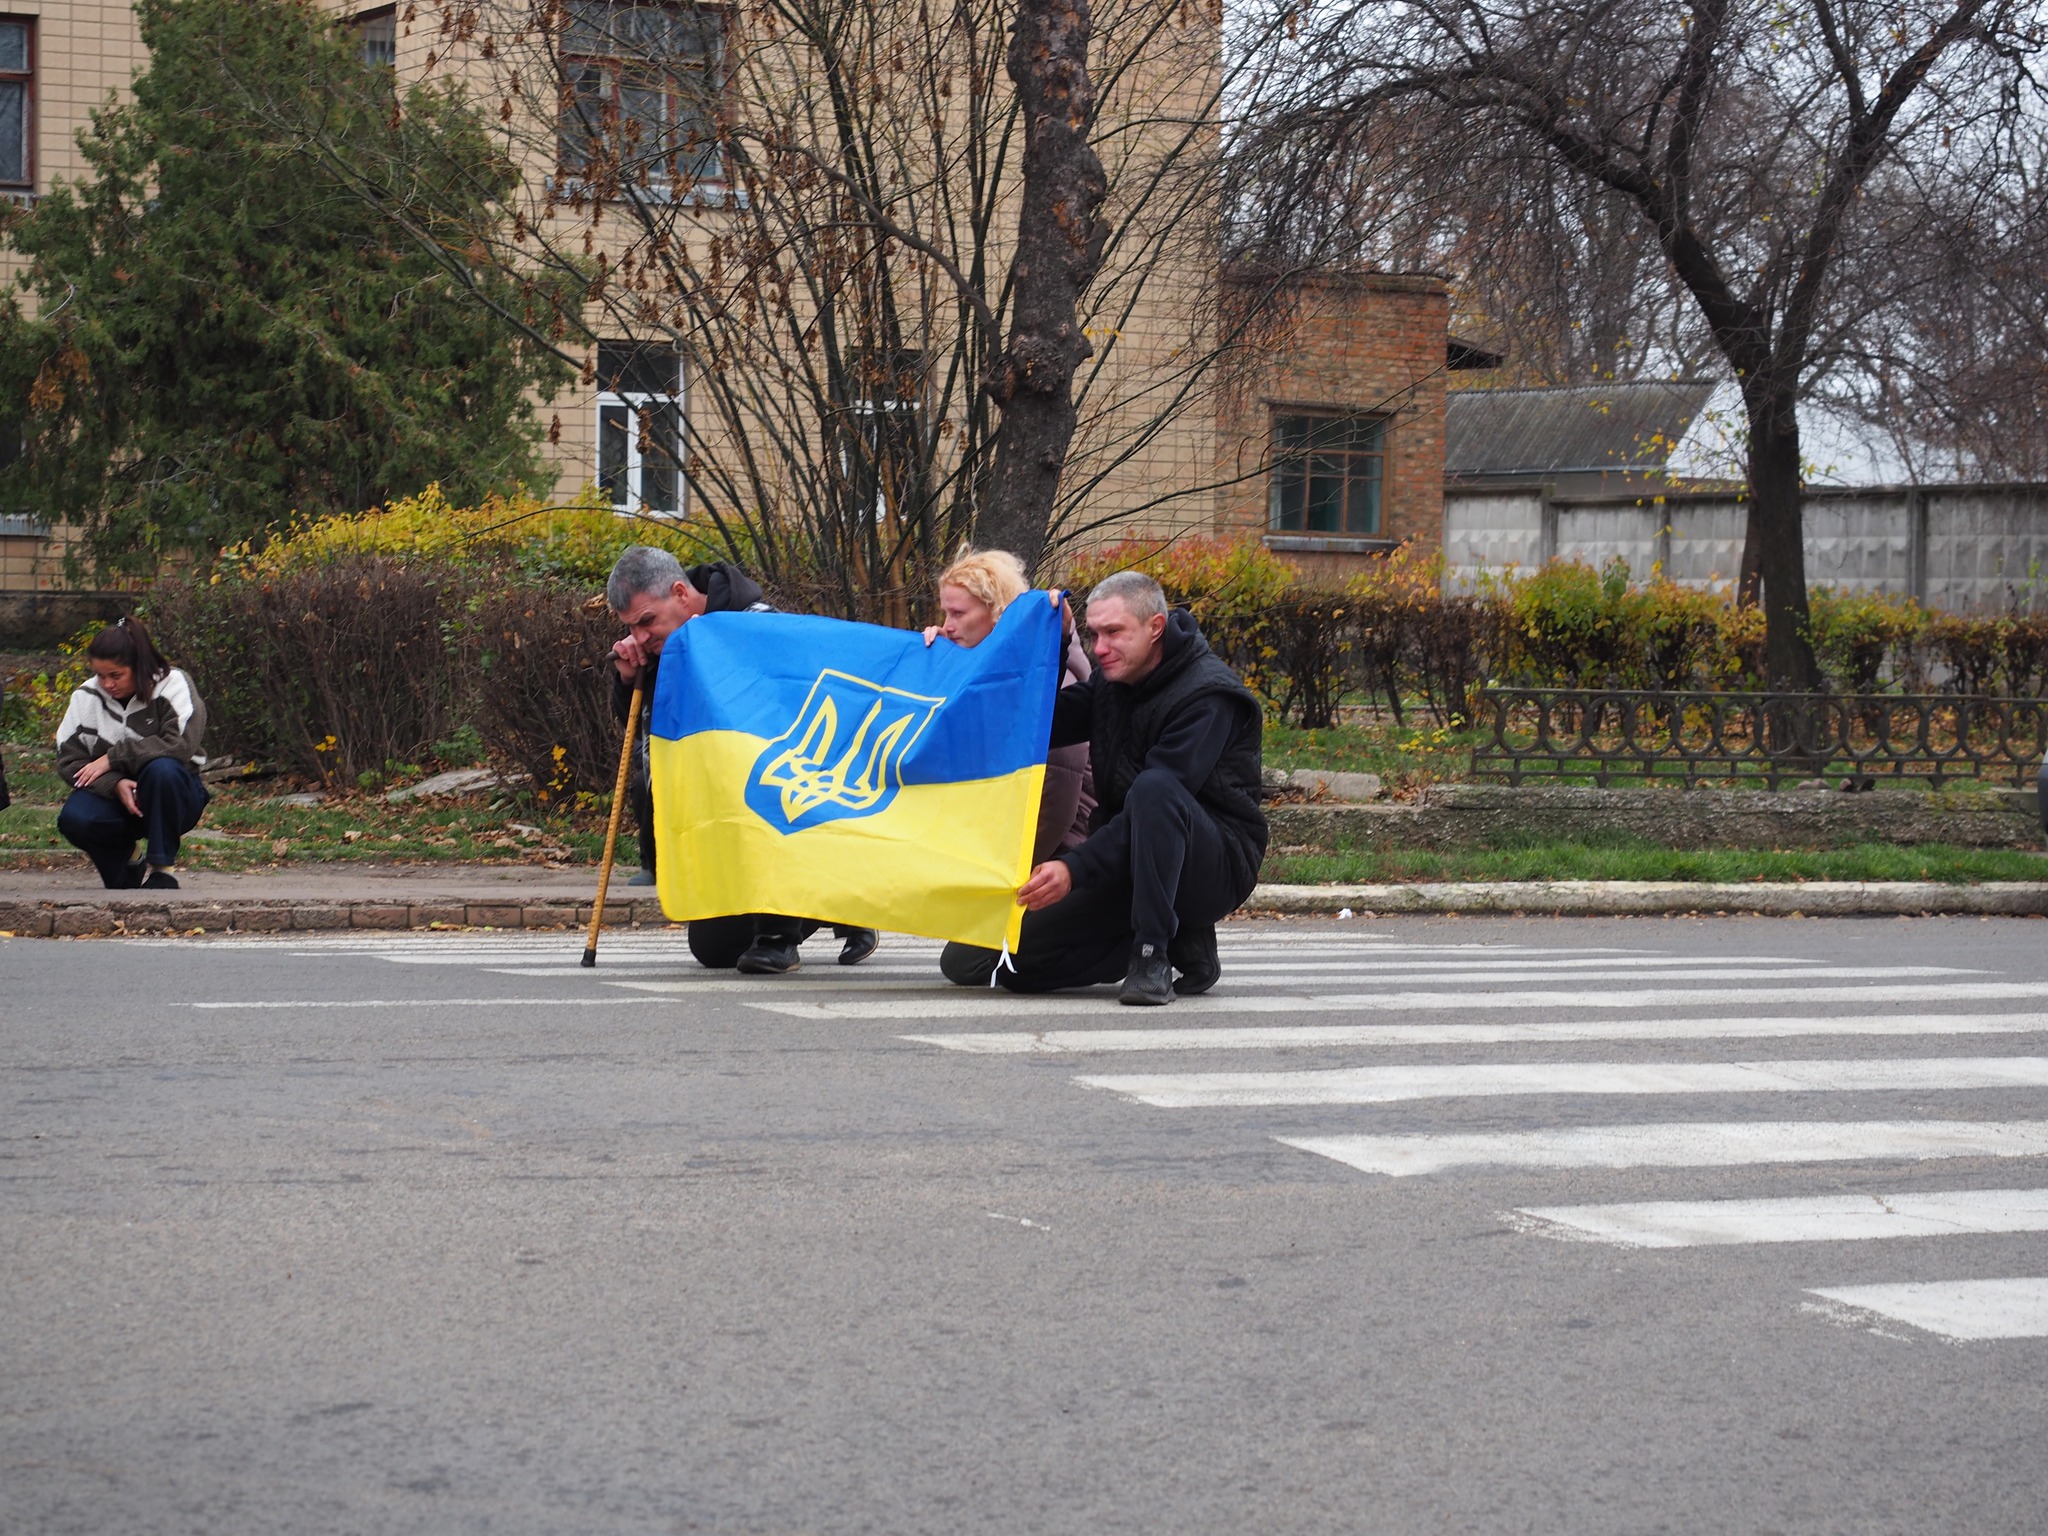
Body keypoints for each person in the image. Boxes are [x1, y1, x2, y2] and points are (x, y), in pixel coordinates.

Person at [940, 571, 1267, 1005]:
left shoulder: (1209, 696)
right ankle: (1181, 935)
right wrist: (1049, 645)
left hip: (1211, 863)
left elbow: (1156, 801)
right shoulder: (1112, 684)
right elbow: (1033, 724)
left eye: (1114, 633)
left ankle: (1152, 953)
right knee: (976, 963)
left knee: (1155, 789)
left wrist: (1074, 868)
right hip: (1124, 860)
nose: (1099, 649)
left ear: (1155, 628)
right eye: (1093, 634)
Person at [605, 544, 880, 974]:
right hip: (722, 824)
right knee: (713, 951)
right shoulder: (667, 643)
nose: (640, 636)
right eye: (630, 627)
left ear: (680, 592)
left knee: (765, 788)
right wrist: (629, 679)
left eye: (646, 622)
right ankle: (838, 902)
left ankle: (783, 932)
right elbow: (652, 734)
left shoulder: (756, 624)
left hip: (779, 793)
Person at [922, 548, 1096, 863]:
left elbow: (1054, 805)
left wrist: (1005, 873)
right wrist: (934, 663)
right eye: (945, 613)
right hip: (993, 848)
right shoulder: (989, 666)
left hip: (1052, 861)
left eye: (958, 614)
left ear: (998, 613)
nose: (947, 625)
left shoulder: (1058, 678)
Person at [55, 617, 211, 890]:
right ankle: (129, 859)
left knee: (162, 769)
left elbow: (180, 745)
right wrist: (114, 784)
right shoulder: (85, 697)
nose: (107, 684)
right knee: (73, 819)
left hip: (175, 795)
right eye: (100, 675)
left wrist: (112, 758)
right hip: (112, 799)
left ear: (139, 666)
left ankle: (163, 870)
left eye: (116, 675)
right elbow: (69, 759)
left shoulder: (173, 683)